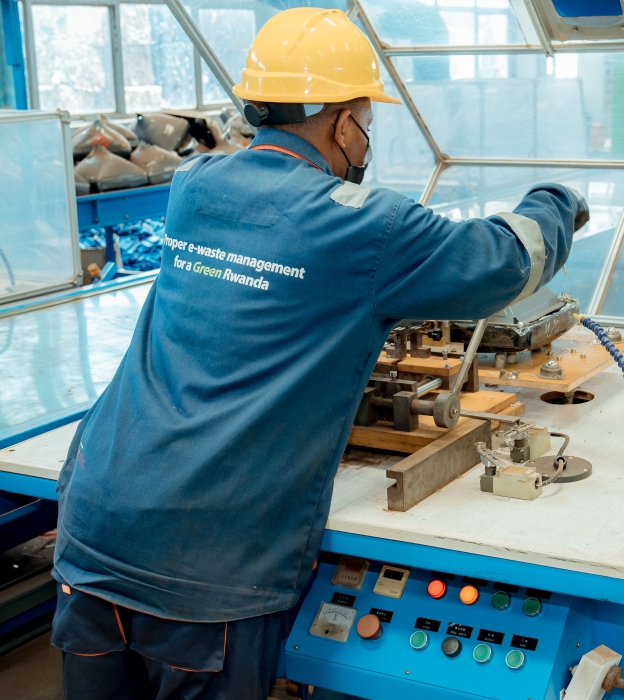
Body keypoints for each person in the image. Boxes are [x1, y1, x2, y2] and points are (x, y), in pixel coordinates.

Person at [48, 8, 588, 697]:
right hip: (207, 563)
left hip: (95, 527)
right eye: (366, 120)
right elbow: (502, 262)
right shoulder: (365, 224)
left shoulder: (193, 187)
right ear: (343, 124)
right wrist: (556, 200)